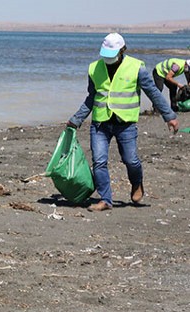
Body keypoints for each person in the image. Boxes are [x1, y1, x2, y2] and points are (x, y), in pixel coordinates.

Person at [67, 33, 180, 212]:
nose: (107, 59)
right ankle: (105, 200)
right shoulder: (94, 68)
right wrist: (76, 119)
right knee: (99, 161)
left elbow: (153, 93)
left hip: (125, 124)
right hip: (100, 123)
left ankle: (137, 183)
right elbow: (92, 97)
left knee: (131, 160)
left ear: (122, 51)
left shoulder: (137, 68)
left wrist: (169, 116)